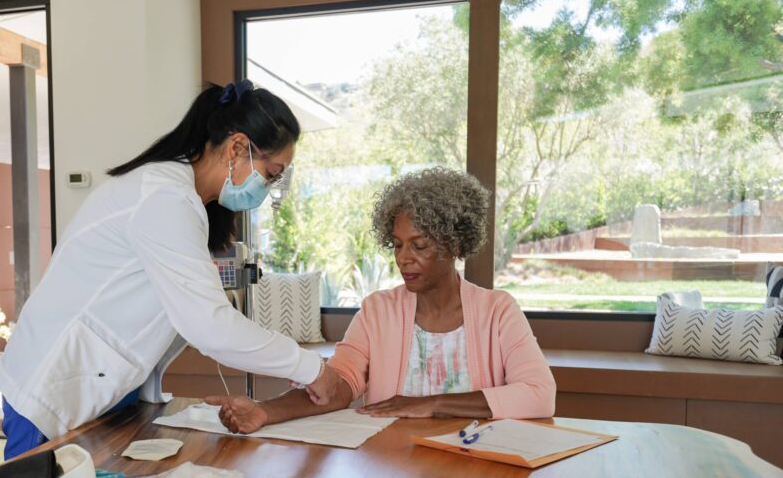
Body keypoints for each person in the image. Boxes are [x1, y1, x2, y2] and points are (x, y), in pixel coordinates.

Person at [0, 81, 341, 458]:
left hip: (100, 385)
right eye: (271, 174)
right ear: (238, 147)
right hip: (53, 388)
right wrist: (312, 369)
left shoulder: (183, 199)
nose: (268, 187)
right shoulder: (164, 198)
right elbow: (210, 326)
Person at [206, 167, 556, 433]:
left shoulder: (498, 311)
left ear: (455, 245)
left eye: (419, 246)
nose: (404, 258)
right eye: (398, 245)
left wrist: (429, 405)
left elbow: (540, 394)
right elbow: (338, 386)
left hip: (474, 471)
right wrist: (265, 411)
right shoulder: (378, 311)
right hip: (392, 464)